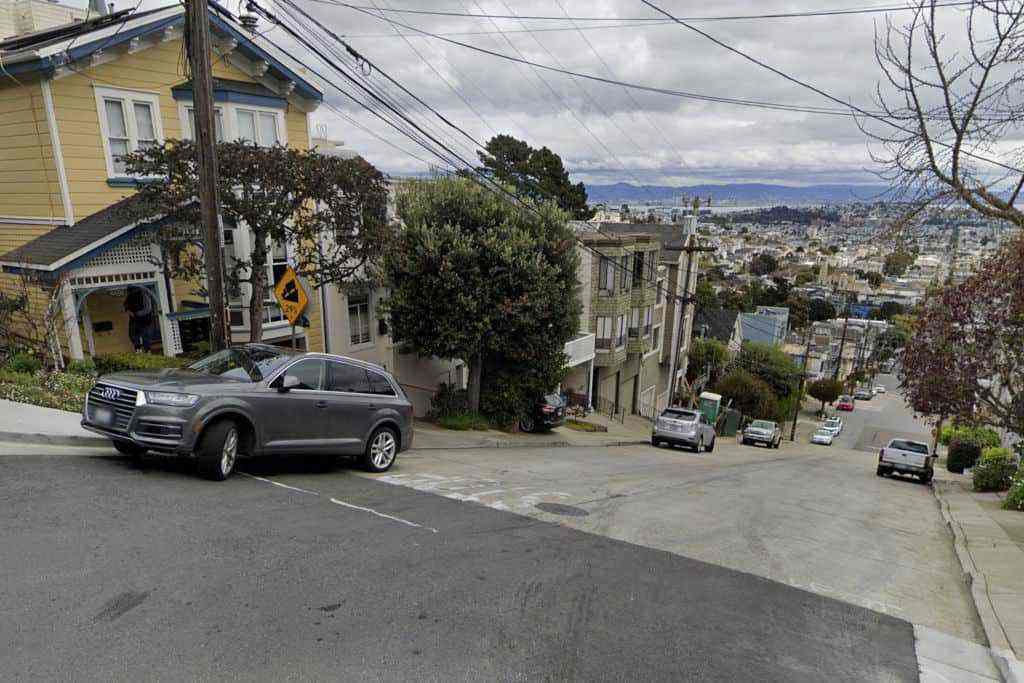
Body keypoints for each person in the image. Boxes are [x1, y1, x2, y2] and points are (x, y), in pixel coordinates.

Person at [124, 288, 153, 352]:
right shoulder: (130, 295)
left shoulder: (144, 294)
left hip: (145, 320)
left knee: (146, 336)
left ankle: (147, 351)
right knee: (133, 335)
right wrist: (128, 310)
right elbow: (125, 305)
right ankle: (138, 349)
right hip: (134, 320)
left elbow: (148, 309)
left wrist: (135, 314)